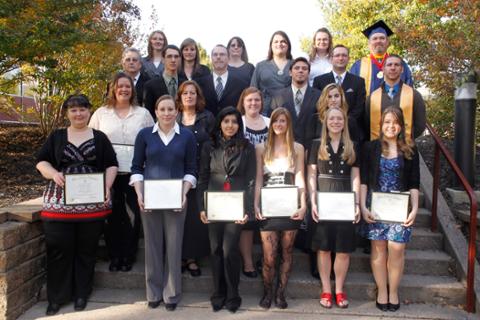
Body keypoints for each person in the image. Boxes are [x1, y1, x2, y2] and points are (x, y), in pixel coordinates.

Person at [36, 94, 118, 316]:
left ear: (89, 111)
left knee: (86, 250)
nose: (79, 114)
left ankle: (82, 293)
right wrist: (53, 174)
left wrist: (106, 186)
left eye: (82, 109)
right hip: (59, 205)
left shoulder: (100, 138)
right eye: (73, 110)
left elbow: (111, 164)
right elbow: (41, 161)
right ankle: (57, 297)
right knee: (58, 250)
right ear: (67, 113)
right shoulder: (57, 136)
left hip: (92, 205)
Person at [130, 95, 197, 311]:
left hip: (177, 198)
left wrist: (184, 193)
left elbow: (191, 169)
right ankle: (153, 292)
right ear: (156, 112)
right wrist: (139, 194)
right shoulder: (144, 135)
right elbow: (136, 167)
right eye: (162, 109)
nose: (167, 113)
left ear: (176, 111)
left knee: (174, 246)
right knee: (152, 246)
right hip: (150, 198)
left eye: (170, 109)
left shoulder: (186, 136)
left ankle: (172, 294)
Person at [89, 72, 154, 272]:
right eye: (120, 86)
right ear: (112, 89)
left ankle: (128, 255)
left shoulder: (142, 113)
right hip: (108, 172)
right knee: (112, 215)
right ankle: (114, 255)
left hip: (135, 173)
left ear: (132, 89)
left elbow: (152, 139)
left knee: (133, 217)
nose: (124, 89)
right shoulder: (101, 113)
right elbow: (92, 139)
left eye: (127, 86)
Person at [360, 106, 420, 312]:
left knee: (397, 249)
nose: (391, 126)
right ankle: (382, 290)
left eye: (395, 122)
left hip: (400, 208)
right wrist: (362, 206)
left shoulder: (410, 149)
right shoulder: (370, 148)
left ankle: (393, 290)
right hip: (375, 206)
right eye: (387, 122)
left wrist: (415, 209)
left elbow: (414, 182)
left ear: (401, 126)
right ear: (381, 124)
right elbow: (364, 180)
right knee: (378, 249)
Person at [197, 107, 254, 313]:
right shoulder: (208, 146)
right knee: (215, 249)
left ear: (240, 125)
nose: (230, 125)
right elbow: (203, 177)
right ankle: (218, 293)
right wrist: (201, 207)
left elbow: (250, 180)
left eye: (234, 121)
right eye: (226, 121)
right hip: (213, 203)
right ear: (219, 123)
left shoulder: (247, 147)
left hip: (236, 205)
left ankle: (233, 294)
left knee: (229, 249)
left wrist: (247, 209)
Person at [307, 107, 360, 309]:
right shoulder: (315, 145)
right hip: (323, 199)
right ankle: (326, 289)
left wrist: (356, 203)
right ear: (325, 121)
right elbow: (311, 175)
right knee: (323, 249)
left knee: (343, 250)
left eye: (339, 118)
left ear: (344, 122)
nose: (336, 122)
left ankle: (339, 289)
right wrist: (313, 199)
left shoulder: (352, 146)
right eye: (332, 118)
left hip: (345, 201)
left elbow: (355, 176)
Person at [254, 107, 306, 309]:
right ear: (271, 124)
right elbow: (259, 179)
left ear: (288, 124)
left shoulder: (298, 148)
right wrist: (256, 204)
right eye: (276, 121)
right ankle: (267, 291)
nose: (279, 125)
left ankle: (280, 293)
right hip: (269, 207)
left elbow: (300, 177)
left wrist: (304, 204)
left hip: (290, 206)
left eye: (283, 121)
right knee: (269, 255)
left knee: (287, 251)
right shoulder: (261, 148)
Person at [175, 80, 215, 277]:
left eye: (193, 93)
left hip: (200, 174)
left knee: (194, 218)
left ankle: (192, 258)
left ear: (198, 96)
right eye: (185, 93)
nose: (189, 96)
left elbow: (214, 143)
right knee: (178, 216)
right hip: (176, 175)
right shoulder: (172, 117)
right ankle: (179, 256)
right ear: (180, 97)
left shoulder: (207, 117)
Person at [236, 87, 270, 278]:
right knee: (247, 221)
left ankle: (267, 259)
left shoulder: (269, 122)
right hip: (244, 177)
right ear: (243, 102)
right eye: (249, 100)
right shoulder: (238, 122)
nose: (253, 104)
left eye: (257, 100)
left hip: (268, 177)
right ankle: (248, 262)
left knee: (267, 219)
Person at [312, 44, 366, 143]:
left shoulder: (358, 82)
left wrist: (342, 122)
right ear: (331, 59)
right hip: (324, 131)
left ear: (349, 58)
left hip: (350, 132)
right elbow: (318, 105)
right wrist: (330, 122)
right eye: (337, 55)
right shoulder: (319, 81)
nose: (341, 58)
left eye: (344, 55)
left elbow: (359, 108)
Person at [365, 54, 426, 141]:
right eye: (389, 65)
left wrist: (402, 139)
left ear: (402, 69)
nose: (393, 68)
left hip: (406, 149)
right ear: (383, 69)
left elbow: (420, 125)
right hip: (378, 149)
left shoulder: (414, 95)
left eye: (396, 65)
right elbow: (367, 125)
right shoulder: (372, 98)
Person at [350, 20, 413, 96]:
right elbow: (352, 94)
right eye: (375, 39)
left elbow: (409, 89)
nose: (378, 41)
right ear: (369, 44)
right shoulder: (358, 66)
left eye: (382, 38)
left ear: (387, 42)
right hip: (367, 107)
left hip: (395, 107)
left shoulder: (400, 64)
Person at [271, 57, 321, 148]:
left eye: (304, 68)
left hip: (310, 148)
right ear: (290, 72)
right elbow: (272, 123)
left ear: (308, 73)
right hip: (284, 147)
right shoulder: (278, 96)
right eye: (297, 68)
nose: (300, 71)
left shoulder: (319, 95)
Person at [196, 45, 248, 116]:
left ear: (228, 58)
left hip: (231, 125)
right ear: (211, 58)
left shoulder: (241, 84)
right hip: (206, 125)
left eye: (222, 54)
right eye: (215, 55)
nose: (218, 57)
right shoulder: (199, 84)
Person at [251, 31, 293, 115]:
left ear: (288, 45)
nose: (279, 44)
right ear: (271, 45)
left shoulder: (296, 65)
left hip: (289, 109)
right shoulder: (261, 66)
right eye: (276, 42)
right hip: (265, 110)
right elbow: (253, 89)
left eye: (283, 41)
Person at [143, 45, 187, 119]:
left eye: (176, 57)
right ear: (163, 59)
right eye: (169, 56)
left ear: (180, 60)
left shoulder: (186, 84)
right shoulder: (150, 85)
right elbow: (148, 115)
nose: (173, 60)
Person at [305, 83, 351, 152]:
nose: (333, 100)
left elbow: (354, 146)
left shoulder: (350, 121)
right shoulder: (314, 119)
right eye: (329, 97)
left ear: (342, 98)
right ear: (324, 99)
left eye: (336, 96)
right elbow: (309, 146)